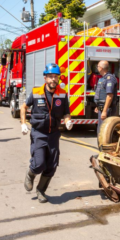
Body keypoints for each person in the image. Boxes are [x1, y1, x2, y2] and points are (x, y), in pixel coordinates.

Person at [20, 63, 73, 203]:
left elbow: (66, 112)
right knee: (39, 163)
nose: (53, 80)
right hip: (39, 133)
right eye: (50, 77)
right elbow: (23, 107)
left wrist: (68, 121)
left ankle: (41, 190)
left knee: (52, 165)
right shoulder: (36, 92)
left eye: (56, 77)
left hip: (54, 134)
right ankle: (30, 173)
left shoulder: (62, 94)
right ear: (45, 78)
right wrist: (23, 123)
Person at [94, 60, 118, 135]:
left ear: (101, 68)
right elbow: (102, 95)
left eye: (97, 66)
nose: (97, 68)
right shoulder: (103, 78)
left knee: (105, 133)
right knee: (101, 131)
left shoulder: (109, 79)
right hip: (102, 108)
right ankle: (101, 146)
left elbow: (109, 96)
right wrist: (98, 106)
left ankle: (104, 147)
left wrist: (104, 111)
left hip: (107, 110)